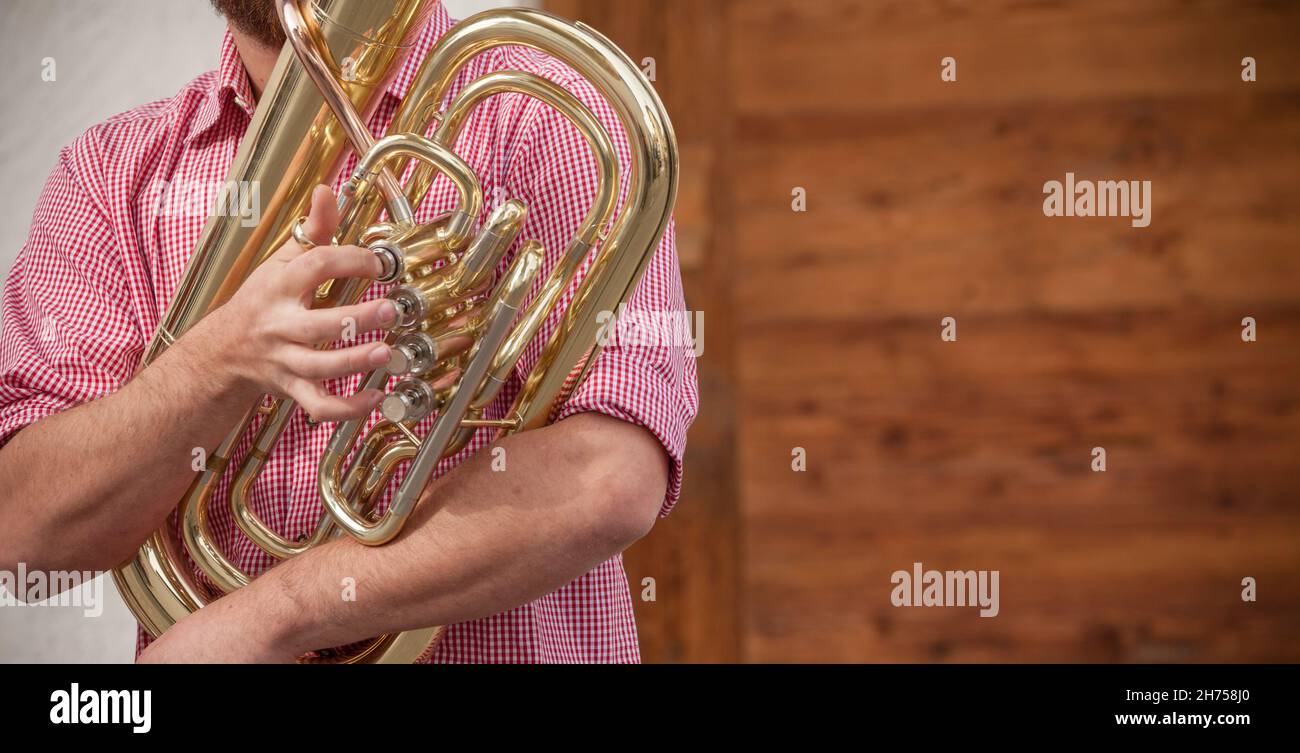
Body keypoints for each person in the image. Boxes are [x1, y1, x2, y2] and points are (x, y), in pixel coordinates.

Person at [0, 0, 698, 663]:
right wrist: (216, 363)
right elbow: (22, 535)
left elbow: (613, 472)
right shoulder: (109, 175)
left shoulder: (546, 113)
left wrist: (276, 615)